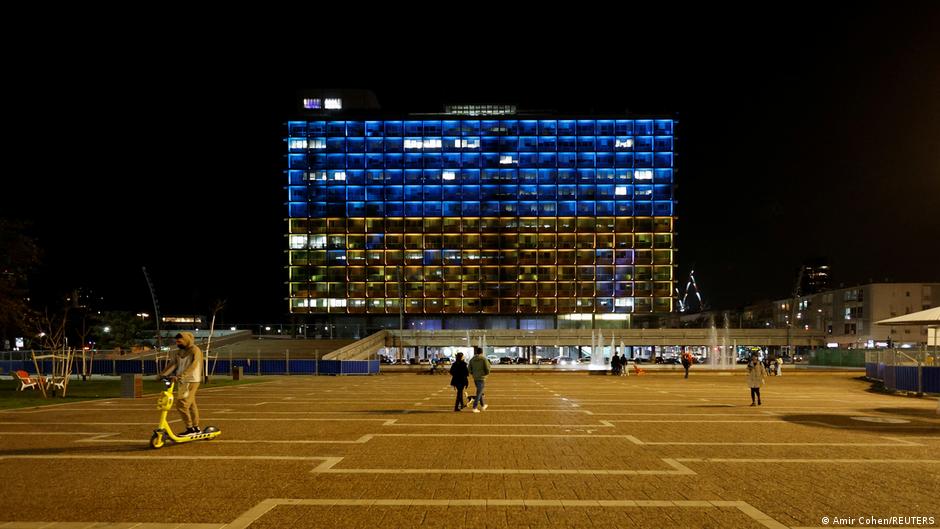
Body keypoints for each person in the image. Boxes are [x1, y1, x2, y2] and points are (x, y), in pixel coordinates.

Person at [157, 332, 204, 435]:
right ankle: (196, 428)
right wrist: (162, 375)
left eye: (179, 341)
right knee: (191, 404)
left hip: (191, 380)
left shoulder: (195, 350)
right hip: (182, 381)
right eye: (176, 341)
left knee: (181, 405)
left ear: (186, 339)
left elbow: (194, 365)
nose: (177, 343)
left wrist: (181, 376)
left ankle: (190, 429)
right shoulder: (179, 351)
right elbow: (173, 364)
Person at [468, 346, 491, 413]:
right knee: (479, 392)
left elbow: (469, 369)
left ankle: (483, 405)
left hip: (475, 377)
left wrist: (473, 373)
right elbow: (487, 368)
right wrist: (486, 373)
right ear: (482, 352)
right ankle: (474, 407)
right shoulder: (483, 359)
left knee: (480, 391)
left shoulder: (472, 359)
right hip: (481, 377)